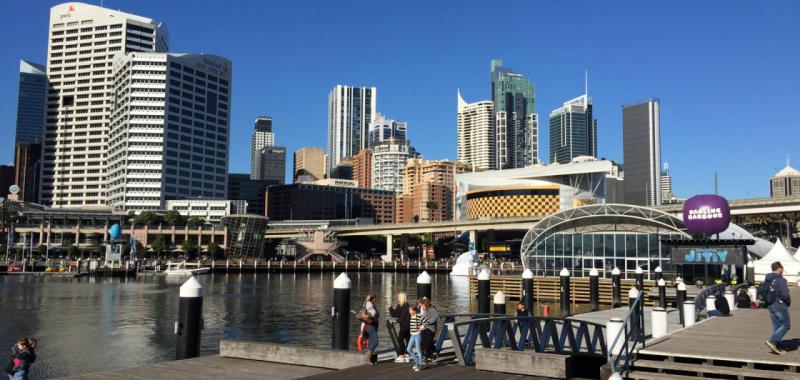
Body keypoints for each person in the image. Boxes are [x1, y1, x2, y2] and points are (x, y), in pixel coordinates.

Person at [765, 261, 791, 355]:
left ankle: (776, 346)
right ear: (778, 268)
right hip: (780, 305)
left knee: (777, 326)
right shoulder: (781, 280)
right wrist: (788, 302)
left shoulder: (768, 278)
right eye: (782, 267)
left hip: (770, 304)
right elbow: (784, 294)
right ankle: (772, 342)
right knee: (786, 325)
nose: (783, 269)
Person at [389, 292, 410, 363]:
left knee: (400, 340)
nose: (397, 298)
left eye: (398, 297)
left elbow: (395, 314)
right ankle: (407, 356)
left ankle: (401, 356)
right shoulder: (407, 305)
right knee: (408, 340)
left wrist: (390, 308)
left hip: (404, 326)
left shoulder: (400, 305)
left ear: (401, 298)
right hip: (409, 326)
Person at [361, 293, 379, 365]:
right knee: (375, 341)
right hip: (369, 326)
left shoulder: (367, 303)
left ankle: (368, 358)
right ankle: (367, 358)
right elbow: (372, 313)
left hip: (369, 326)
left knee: (372, 341)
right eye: (375, 299)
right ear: (374, 299)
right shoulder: (369, 304)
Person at [419, 297, 438, 363]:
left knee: (427, 342)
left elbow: (434, 318)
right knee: (424, 342)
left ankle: (426, 358)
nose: (420, 306)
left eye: (421, 305)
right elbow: (421, 317)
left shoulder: (432, 310)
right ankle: (432, 353)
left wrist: (427, 322)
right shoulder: (422, 309)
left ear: (425, 304)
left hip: (431, 328)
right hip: (424, 327)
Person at [406, 304, 424, 371]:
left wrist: (421, 328)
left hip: (417, 335)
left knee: (418, 351)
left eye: (409, 310)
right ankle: (417, 362)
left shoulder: (418, 316)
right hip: (412, 335)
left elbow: (426, 322)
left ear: (413, 310)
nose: (409, 311)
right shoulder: (412, 315)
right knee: (408, 349)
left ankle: (420, 365)